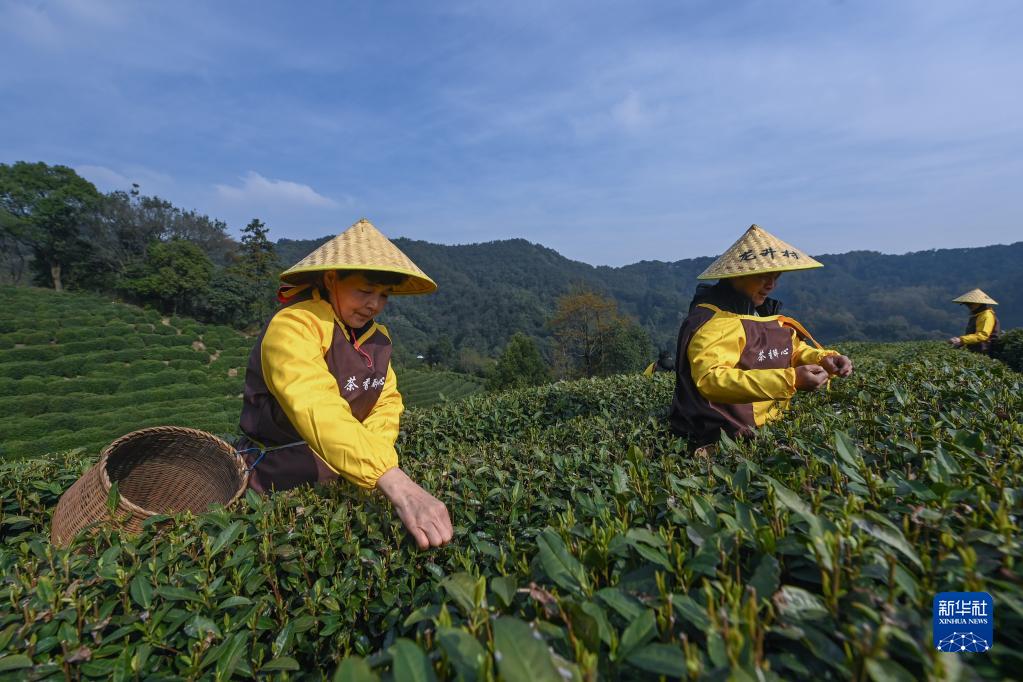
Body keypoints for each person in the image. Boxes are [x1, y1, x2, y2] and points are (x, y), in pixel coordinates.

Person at [237, 218, 453, 550]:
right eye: (365, 291)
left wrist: (372, 473)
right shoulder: (295, 325)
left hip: (344, 479)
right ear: (331, 277)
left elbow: (385, 401)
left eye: (384, 295)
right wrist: (393, 480)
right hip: (274, 482)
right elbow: (314, 403)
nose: (375, 305)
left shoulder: (377, 338)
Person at [669, 224, 853, 448]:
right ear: (737, 275)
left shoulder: (759, 310)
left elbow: (790, 350)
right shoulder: (714, 323)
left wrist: (821, 359)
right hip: (724, 434)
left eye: (776, 277)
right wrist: (790, 380)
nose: (771, 285)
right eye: (764, 277)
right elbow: (710, 380)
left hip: (766, 425)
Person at [948, 289, 1000, 355]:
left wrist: (961, 340)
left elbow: (983, 335)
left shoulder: (986, 316)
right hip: (976, 351)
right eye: (967, 304)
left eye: (970, 304)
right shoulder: (978, 315)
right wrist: (962, 343)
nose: (969, 306)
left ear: (980, 303)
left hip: (984, 351)